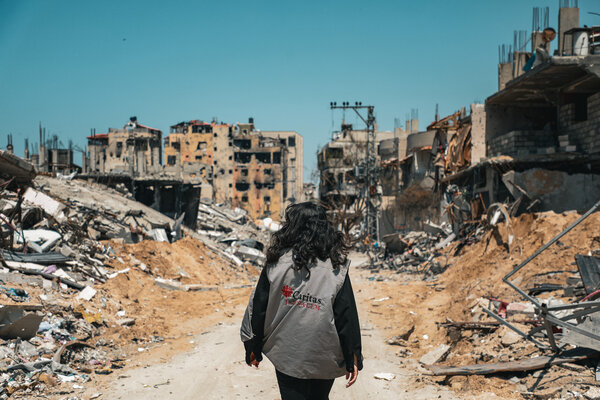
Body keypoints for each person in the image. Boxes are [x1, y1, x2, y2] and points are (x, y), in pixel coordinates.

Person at [240, 202, 363, 400]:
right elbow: (346, 316)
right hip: (324, 355)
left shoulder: (276, 263)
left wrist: (252, 347)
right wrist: (353, 357)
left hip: (287, 355)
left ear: (291, 227)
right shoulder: (337, 267)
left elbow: (258, 308)